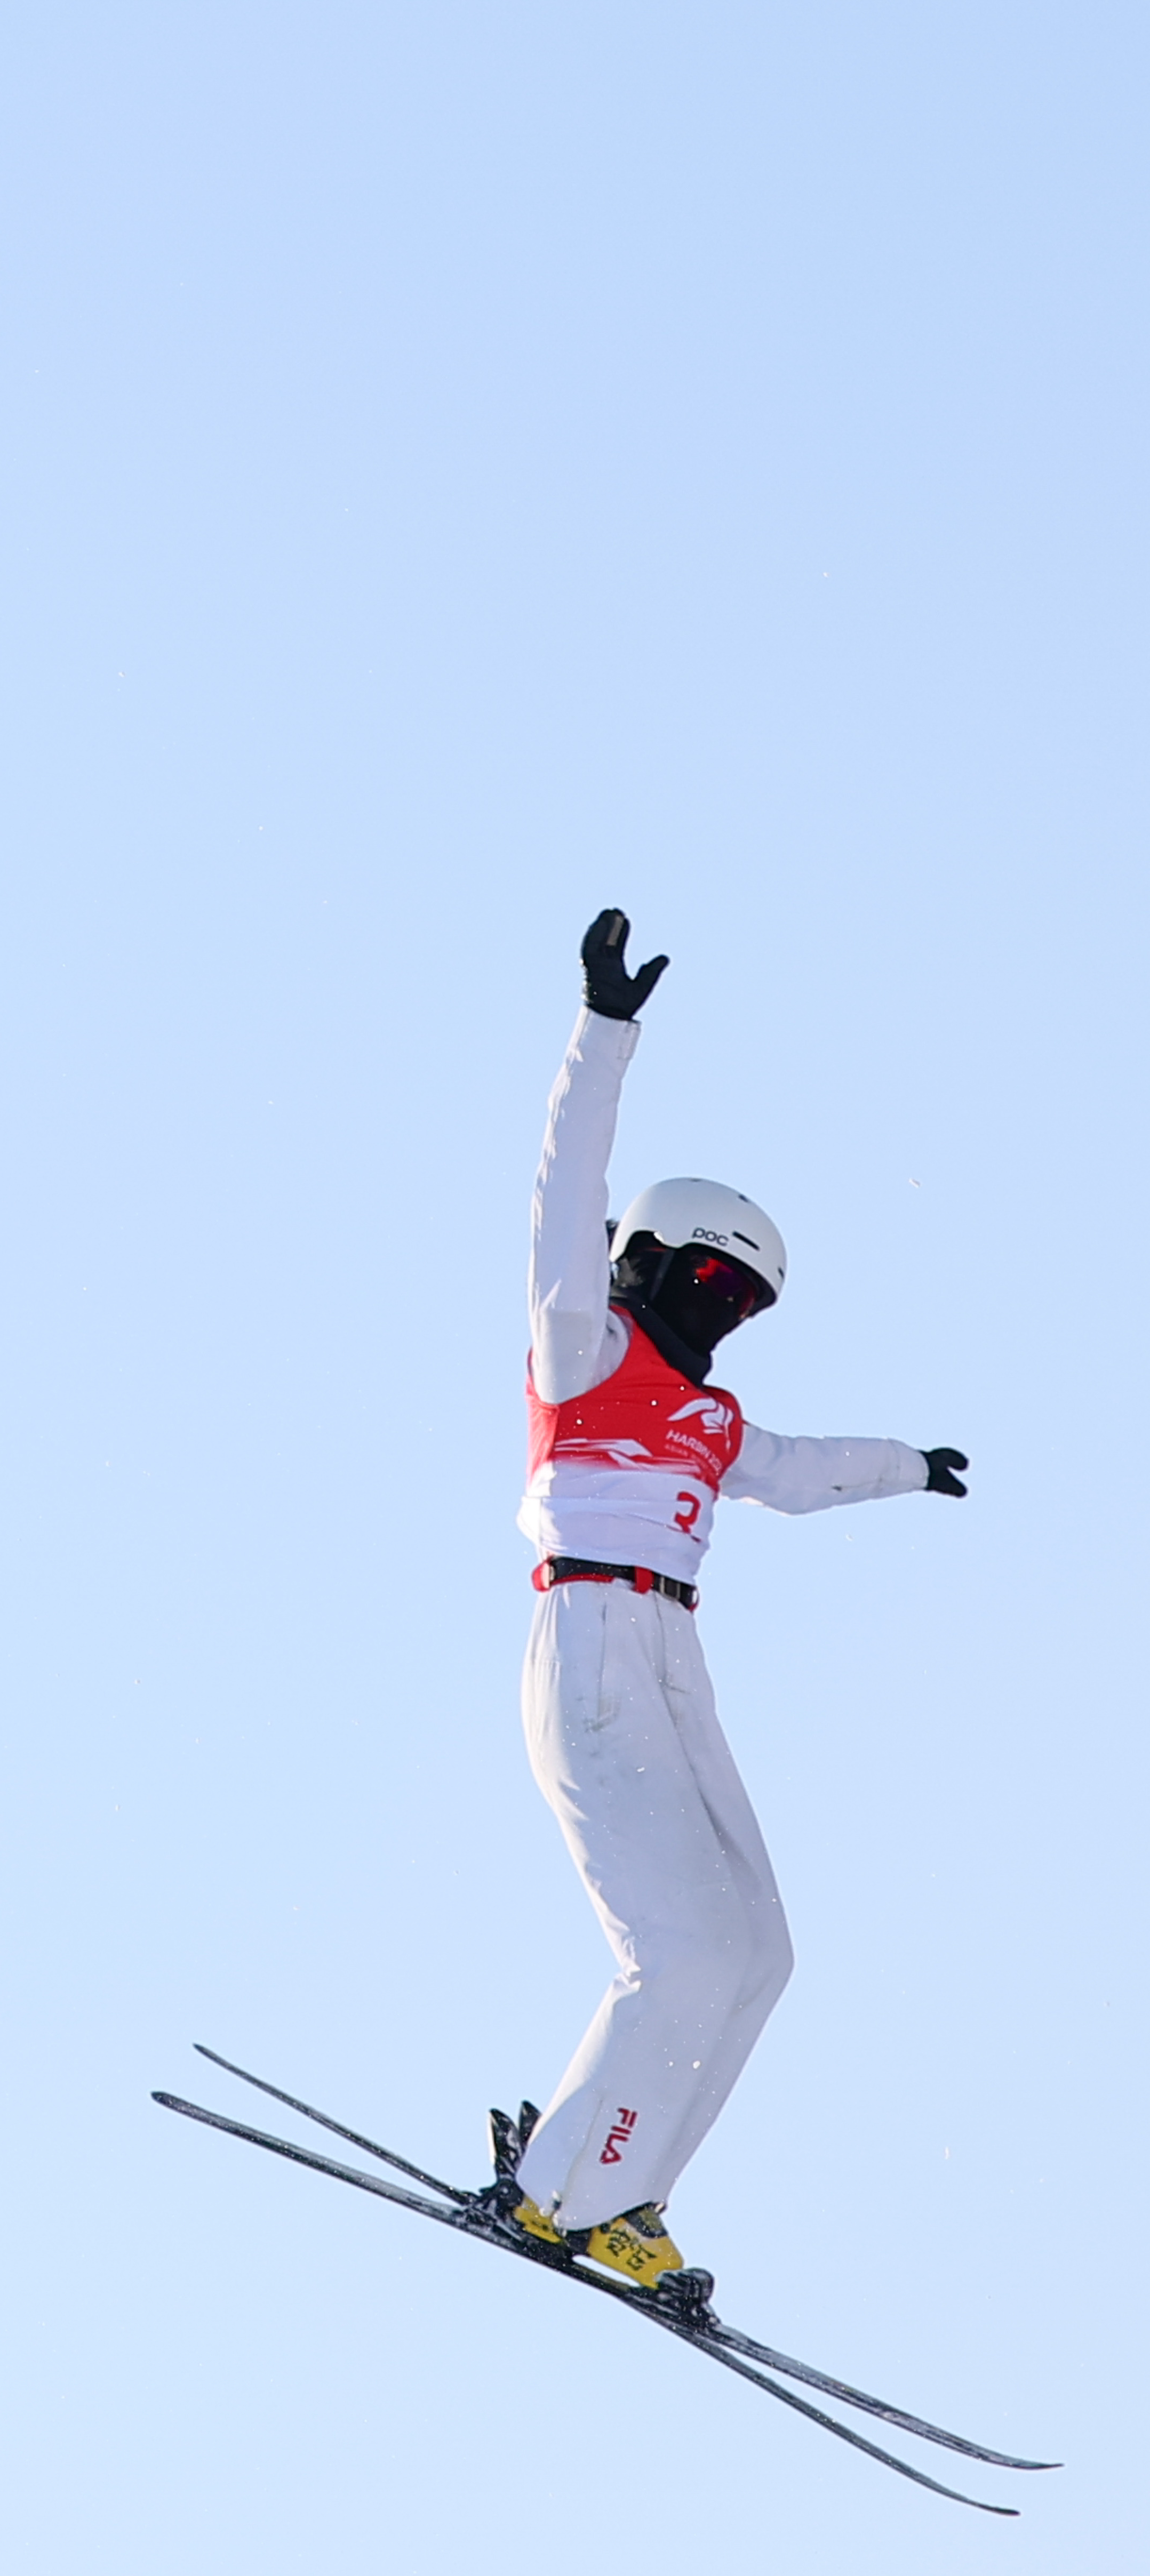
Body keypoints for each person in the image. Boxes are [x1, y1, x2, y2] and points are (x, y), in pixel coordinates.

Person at [489, 909, 968, 2305]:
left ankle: (623, 2191)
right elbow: (554, 1184)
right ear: (641, 1261)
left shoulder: (707, 1415)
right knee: (676, 1946)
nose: (720, 1313)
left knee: (755, 1946)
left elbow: (797, 1472)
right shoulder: (582, 1342)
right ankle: (549, 2191)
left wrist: (906, 1469)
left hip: (672, 1648)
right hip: (586, 1639)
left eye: (741, 1302)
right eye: (705, 1281)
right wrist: (600, 1029)